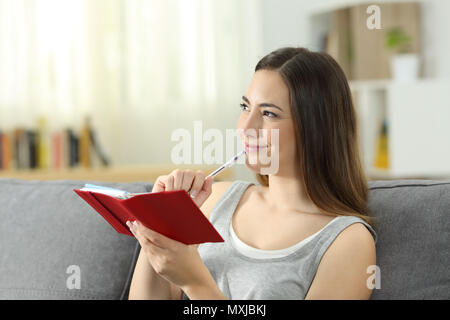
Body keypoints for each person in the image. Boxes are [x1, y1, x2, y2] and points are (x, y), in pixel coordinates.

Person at [128, 47, 377, 300]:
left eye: (269, 113)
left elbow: (195, 283)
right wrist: (158, 219)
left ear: (316, 130)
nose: (246, 128)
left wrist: (195, 282)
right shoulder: (215, 199)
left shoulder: (348, 242)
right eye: (245, 107)